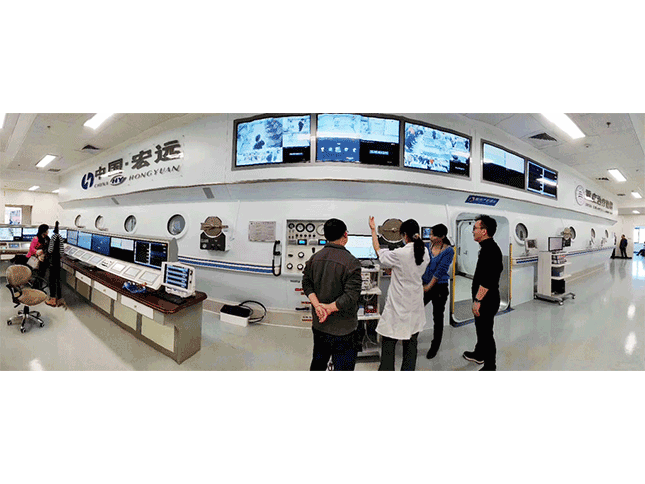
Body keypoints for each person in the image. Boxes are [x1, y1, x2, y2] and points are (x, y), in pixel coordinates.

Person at [369, 217, 430, 371]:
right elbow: (412, 270)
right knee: (411, 343)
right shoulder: (424, 252)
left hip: (399, 305)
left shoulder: (400, 253)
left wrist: (373, 230)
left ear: (404, 235)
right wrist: (396, 270)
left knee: (389, 341)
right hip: (415, 303)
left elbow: (378, 251)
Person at [302, 218, 363, 371]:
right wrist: (328, 308)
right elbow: (351, 296)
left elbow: (306, 283)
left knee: (318, 364)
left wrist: (318, 306)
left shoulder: (314, 258)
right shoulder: (352, 262)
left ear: (326, 236)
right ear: (345, 235)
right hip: (344, 330)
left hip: (319, 325)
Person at [463, 215, 503, 371]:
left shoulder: (491, 250)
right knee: (481, 329)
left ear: (484, 231)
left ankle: (490, 366)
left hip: (487, 300)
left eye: (475, 228)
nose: (473, 231)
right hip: (485, 298)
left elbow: (488, 280)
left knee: (486, 333)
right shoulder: (486, 248)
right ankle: (479, 354)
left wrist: (478, 300)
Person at [422, 223, 455, 359]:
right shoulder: (426, 246)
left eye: (433, 235)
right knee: (415, 309)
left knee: (438, 317)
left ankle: (435, 346)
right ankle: (410, 336)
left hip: (439, 287)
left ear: (441, 237)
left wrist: (429, 287)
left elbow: (440, 271)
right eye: (430, 234)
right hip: (424, 284)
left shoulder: (448, 251)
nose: (430, 237)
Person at [46, 221, 65, 308]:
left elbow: (50, 250)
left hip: (52, 261)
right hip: (58, 261)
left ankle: (52, 300)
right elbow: (62, 251)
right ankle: (59, 299)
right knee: (58, 280)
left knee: (52, 280)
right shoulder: (60, 237)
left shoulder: (53, 237)